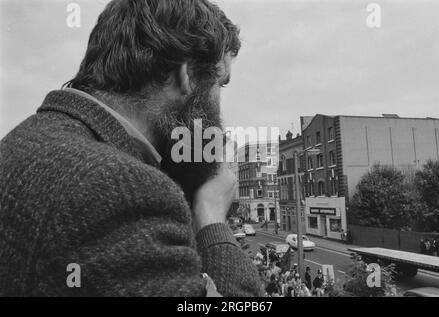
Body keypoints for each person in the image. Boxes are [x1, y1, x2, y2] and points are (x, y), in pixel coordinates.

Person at [0, 0, 262, 297]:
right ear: (186, 75)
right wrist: (213, 220)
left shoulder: (24, 141)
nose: (220, 110)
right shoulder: (124, 189)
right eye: (220, 85)